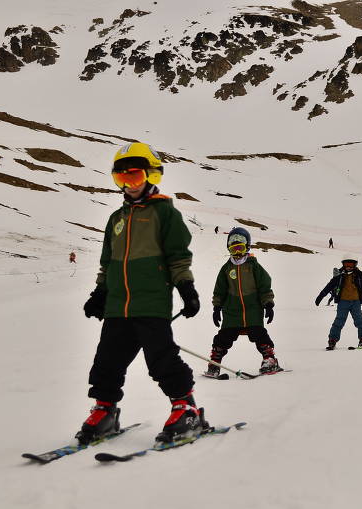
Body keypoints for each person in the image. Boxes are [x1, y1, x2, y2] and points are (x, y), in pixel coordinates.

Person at [79, 142, 203, 445]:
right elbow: (108, 262)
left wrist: (186, 287)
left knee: (161, 359)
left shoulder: (164, 213)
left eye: (133, 177)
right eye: (121, 179)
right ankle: (105, 409)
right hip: (117, 305)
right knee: (106, 360)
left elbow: (178, 256)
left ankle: (186, 408)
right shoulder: (116, 219)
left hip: (151, 302)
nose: (128, 185)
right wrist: (100, 292)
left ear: (150, 175)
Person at [205, 226, 281, 378]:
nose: (237, 253)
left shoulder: (254, 266)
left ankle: (270, 359)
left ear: (247, 247)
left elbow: (264, 286)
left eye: (240, 248)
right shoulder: (226, 269)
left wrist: (268, 304)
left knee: (259, 334)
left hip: (253, 309)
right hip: (232, 311)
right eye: (234, 249)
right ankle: (214, 363)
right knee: (223, 337)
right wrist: (216, 307)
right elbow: (219, 290)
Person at [315, 255, 362, 350]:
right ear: (343, 264)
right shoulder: (340, 275)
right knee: (339, 321)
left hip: (356, 302)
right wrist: (320, 296)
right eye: (346, 264)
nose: (348, 266)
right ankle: (332, 340)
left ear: (355, 264)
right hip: (343, 302)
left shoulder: (359, 274)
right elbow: (329, 286)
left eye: (351, 264)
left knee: (359, 321)